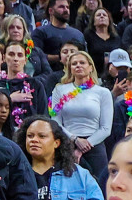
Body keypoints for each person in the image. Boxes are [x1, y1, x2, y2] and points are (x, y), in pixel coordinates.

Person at [47, 49, 111, 178]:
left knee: (99, 184)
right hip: (66, 142)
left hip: (95, 145)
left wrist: (85, 145)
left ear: (90, 67)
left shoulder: (103, 92)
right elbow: (55, 121)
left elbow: (106, 128)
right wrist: (75, 140)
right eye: (74, 63)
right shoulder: (59, 90)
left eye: (82, 62)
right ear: (69, 68)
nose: (78, 66)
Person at [0, 40, 47, 130]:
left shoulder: (35, 85)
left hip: (29, 134)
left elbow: (43, 115)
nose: (16, 59)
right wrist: (10, 99)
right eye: (11, 54)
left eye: (20, 55)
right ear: (4, 58)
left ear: (25, 60)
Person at [31, 0, 83, 67]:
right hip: (49, 75)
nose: (66, 10)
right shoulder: (40, 32)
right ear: (51, 11)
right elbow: (35, 56)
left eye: (67, 7)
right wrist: (61, 57)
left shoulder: (78, 34)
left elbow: (85, 57)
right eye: (61, 7)